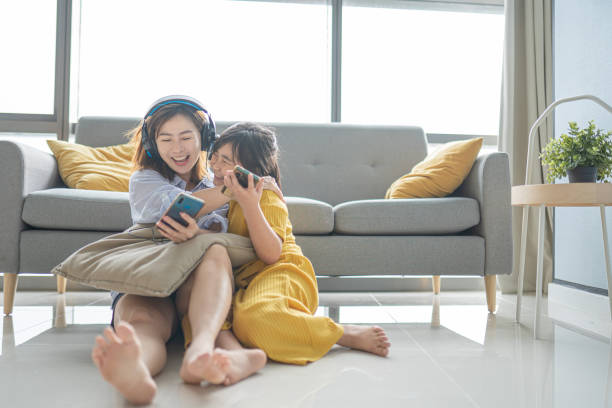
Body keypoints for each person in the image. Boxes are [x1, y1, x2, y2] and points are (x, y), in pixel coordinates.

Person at [90, 97, 268, 405]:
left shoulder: (216, 182)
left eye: (186, 137)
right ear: (151, 143)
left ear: (204, 139)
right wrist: (237, 188)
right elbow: (169, 208)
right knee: (143, 321)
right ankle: (136, 369)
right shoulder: (144, 179)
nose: (178, 148)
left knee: (214, 250)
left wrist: (199, 232)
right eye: (166, 139)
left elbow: (226, 229)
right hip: (149, 272)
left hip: (195, 283)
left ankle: (200, 349)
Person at [213, 122, 391, 366]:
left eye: (226, 161)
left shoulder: (263, 195)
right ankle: (241, 350)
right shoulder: (221, 194)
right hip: (245, 281)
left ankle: (342, 333)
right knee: (211, 314)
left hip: (282, 272)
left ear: (251, 170)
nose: (215, 166)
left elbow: (271, 254)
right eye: (214, 157)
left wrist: (250, 205)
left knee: (255, 319)